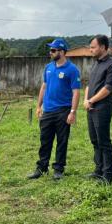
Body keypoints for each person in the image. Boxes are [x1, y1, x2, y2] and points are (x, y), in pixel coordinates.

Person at [28, 38, 80, 180]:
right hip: (48, 111)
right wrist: (39, 106)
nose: (50, 52)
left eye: (53, 50)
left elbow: (76, 92)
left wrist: (73, 112)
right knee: (45, 141)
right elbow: (44, 86)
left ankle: (58, 169)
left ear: (62, 52)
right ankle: (42, 167)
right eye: (50, 50)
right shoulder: (48, 67)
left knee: (62, 141)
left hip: (63, 110)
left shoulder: (72, 70)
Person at [84, 35, 112, 184]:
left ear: (103, 47)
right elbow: (89, 84)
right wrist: (86, 99)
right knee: (94, 140)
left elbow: (108, 88)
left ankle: (108, 174)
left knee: (103, 141)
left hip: (102, 108)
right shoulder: (95, 64)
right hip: (91, 107)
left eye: (93, 47)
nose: (91, 50)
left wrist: (91, 100)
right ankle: (98, 170)